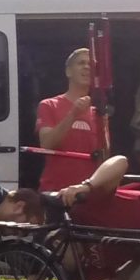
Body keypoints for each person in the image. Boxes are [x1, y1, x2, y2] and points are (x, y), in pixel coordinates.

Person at [34, 47, 105, 191]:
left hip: (85, 194)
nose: (87, 67)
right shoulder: (48, 105)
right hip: (55, 193)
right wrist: (73, 114)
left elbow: (103, 159)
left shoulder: (98, 112)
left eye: (91, 65)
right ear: (68, 72)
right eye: (81, 63)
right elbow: (46, 144)